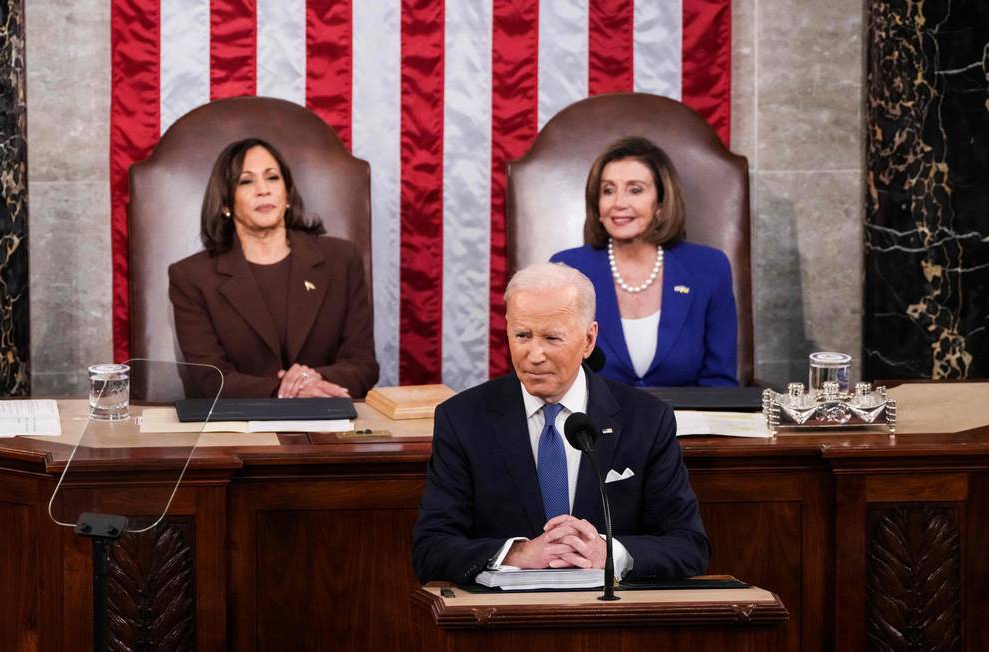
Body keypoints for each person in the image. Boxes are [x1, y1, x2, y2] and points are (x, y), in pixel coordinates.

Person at [411, 263, 708, 586]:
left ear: (588, 340)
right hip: (502, 620)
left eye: (552, 338)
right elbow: (431, 548)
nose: (534, 354)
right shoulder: (463, 418)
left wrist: (609, 553)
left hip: (611, 618)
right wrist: (517, 554)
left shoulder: (646, 419)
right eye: (522, 335)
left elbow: (689, 546)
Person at [168, 138, 379, 398]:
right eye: (246, 181)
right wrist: (283, 391)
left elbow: (363, 364)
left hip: (329, 417)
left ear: (287, 193)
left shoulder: (342, 259)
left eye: (272, 178)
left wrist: (313, 381)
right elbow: (211, 379)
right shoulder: (191, 277)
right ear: (225, 204)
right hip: (240, 429)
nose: (263, 190)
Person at [551, 137, 738, 387]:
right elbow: (553, 371)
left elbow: (720, 382)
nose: (619, 203)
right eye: (608, 190)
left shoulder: (709, 268)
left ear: (661, 204)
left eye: (635, 189)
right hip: (594, 422)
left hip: (687, 422)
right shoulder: (567, 270)